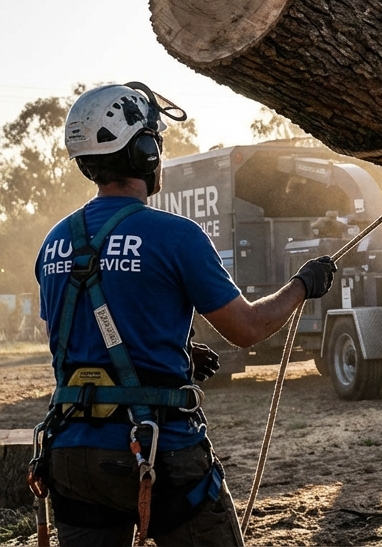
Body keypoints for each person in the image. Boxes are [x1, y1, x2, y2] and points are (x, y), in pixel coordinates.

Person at [31, 83, 337, 546]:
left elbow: (75, 333)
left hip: (73, 453)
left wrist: (171, 352)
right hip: (158, 451)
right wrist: (302, 286)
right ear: (146, 151)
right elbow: (247, 329)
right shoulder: (175, 235)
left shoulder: (54, 241)